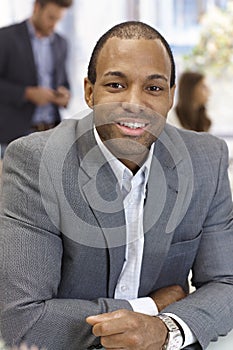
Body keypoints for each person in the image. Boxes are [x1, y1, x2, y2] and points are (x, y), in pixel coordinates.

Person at [0, 21, 233, 350]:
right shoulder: (35, 162)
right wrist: (149, 308)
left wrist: (165, 330)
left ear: (170, 96)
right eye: (116, 85)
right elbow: (21, 319)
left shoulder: (206, 159)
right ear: (90, 92)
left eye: (153, 88)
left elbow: (226, 284)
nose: (135, 103)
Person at [0, 0, 73, 158]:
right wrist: (27, 93)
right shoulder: (5, 38)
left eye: (58, 20)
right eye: (50, 18)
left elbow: (64, 82)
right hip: (14, 137)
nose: (54, 25)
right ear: (36, 8)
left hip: (51, 135)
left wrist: (64, 94)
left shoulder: (61, 43)